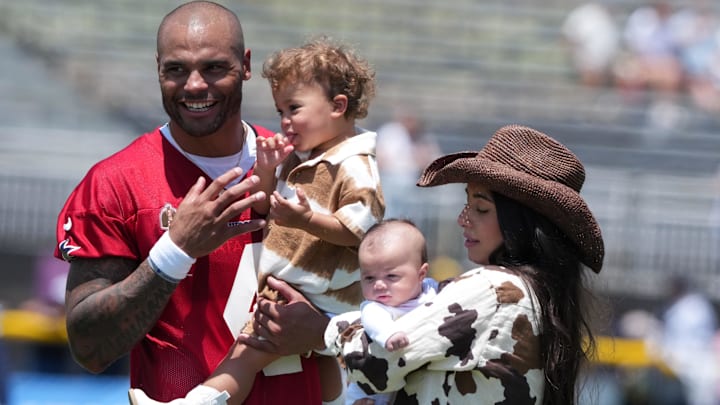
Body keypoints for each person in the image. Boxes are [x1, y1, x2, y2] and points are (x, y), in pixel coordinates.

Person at [54, 2, 328, 404]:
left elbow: (385, 302)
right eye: (176, 69)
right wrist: (174, 252)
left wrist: (324, 333)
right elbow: (90, 348)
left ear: (246, 64)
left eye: (214, 67)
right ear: (158, 69)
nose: (195, 85)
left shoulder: (309, 166)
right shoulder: (116, 184)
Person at [128, 36, 384, 405]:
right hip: (307, 289)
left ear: (337, 106)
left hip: (316, 293)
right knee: (325, 367)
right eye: (280, 110)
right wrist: (267, 169)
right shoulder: (305, 156)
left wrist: (307, 220)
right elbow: (263, 205)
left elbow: (362, 232)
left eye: (294, 108)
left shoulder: (356, 164)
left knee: (245, 355)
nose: (284, 121)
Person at [323, 124, 606, 404]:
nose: (463, 219)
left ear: (520, 223)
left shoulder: (495, 288)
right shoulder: (539, 292)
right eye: (467, 203)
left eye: (481, 208)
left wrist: (327, 327)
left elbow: (374, 366)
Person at [343, 218, 438, 405]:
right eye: (369, 277)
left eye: (391, 276)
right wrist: (389, 334)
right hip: (371, 388)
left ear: (421, 274)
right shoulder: (376, 307)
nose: (378, 285)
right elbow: (374, 321)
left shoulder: (432, 291)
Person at [375, 110, 440, 220]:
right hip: (391, 181)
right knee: (390, 216)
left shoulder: (420, 137)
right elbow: (382, 159)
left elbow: (432, 158)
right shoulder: (391, 132)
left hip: (411, 184)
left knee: (408, 216)